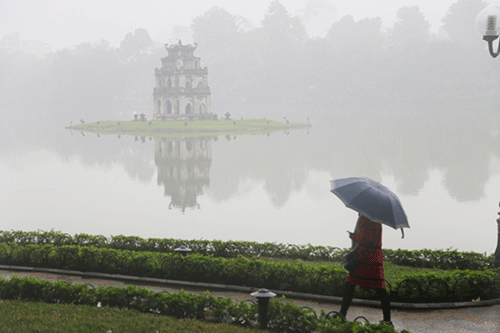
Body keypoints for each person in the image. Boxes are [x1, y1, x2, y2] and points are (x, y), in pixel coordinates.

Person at [339, 214, 392, 325]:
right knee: (380, 289)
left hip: (365, 259)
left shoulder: (365, 218)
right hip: (376, 257)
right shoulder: (378, 219)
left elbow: (366, 239)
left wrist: (353, 236)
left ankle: (342, 314)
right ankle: (387, 320)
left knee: (350, 284)